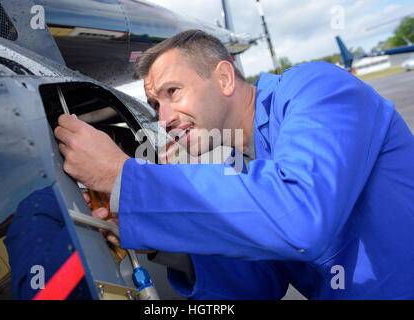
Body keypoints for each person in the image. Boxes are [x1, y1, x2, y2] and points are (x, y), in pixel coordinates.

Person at [54, 29, 414, 299]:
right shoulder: (233, 167)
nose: (163, 118)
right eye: (155, 105)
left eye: (172, 92)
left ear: (224, 78)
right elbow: (257, 284)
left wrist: (125, 178)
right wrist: (158, 241)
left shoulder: (317, 88)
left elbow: (302, 214)